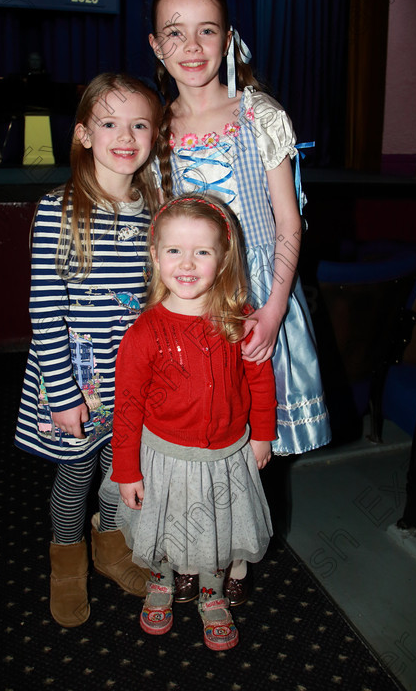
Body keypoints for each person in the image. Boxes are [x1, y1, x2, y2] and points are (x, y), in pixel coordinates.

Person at [147, 0, 332, 603]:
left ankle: (235, 560)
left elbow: (289, 220)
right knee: (195, 442)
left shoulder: (260, 115)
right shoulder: (155, 127)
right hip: (189, 316)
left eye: (206, 30)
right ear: (155, 45)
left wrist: (276, 308)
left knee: (255, 450)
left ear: (228, 39)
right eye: (176, 32)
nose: (191, 45)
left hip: (260, 306)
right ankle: (188, 554)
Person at [15, 72, 162, 628]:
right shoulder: (60, 209)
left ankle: (110, 549)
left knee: (117, 466)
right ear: (82, 133)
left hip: (131, 376)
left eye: (139, 124)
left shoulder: (153, 212)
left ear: (154, 134)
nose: (125, 136)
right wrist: (60, 392)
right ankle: (66, 564)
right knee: (77, 472)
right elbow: (45, 313)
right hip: (76, 378)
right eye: (109, 123)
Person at [109, 195, 277, 651]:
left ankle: (212, 592)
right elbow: (126, 406)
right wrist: (126, 470)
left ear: (223, 259)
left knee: (217, 526)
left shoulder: (237, 322)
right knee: (165, 524)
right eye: (174, 251)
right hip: (164, 456)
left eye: (201, 251)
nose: (187, 263)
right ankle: (161, 582)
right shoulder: (142, 333)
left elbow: (260, 381)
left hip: (227, 455)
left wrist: (262, 434)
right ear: (155, 256)